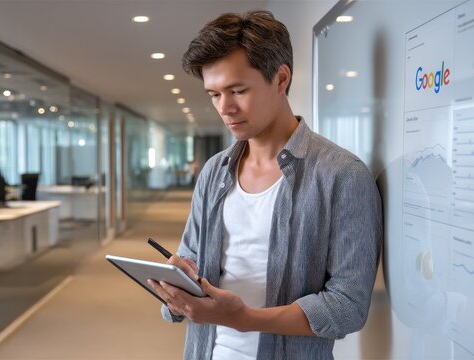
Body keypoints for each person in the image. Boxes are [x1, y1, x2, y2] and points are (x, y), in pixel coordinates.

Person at [147, 10, 382, 360]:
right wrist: (178, 287)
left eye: (238, 90)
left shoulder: (342, 175)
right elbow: (191, 261)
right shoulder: (214, 172)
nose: (225, 108)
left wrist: (246, 319)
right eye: (214, 95)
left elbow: (348, 306)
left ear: (281, 78)